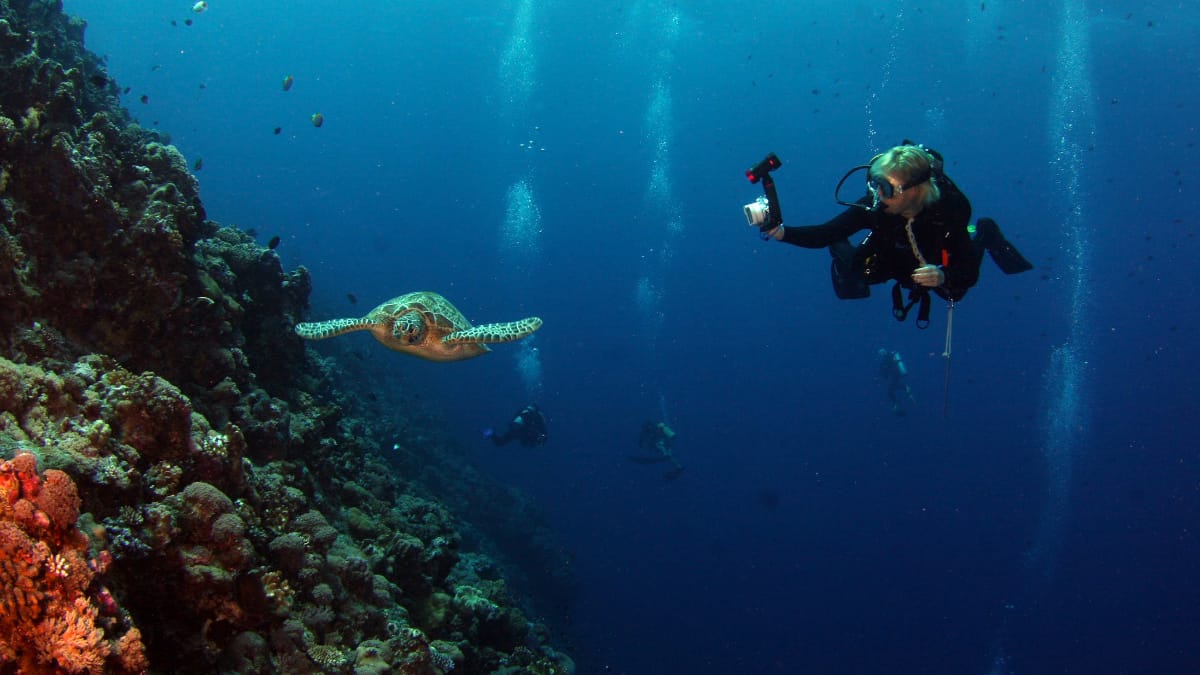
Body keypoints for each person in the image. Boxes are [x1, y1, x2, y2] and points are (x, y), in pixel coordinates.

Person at [761, 142, 1032, 325]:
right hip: (894, 247)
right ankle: (853, 255)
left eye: (887, 188)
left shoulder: (947, 213)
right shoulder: (876, 206)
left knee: (953, 293)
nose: (878, 194)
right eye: (875, 183)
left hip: (934, 254)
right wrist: (782, 233)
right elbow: (825, 233)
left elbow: (968, 271)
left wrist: (943, 275)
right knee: (860, 273)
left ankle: (984, 234)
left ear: (915, 190)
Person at [483, 404, 548, 448]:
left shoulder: (525, 412)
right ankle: (491, 433)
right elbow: (543, 433)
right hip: (522, 432)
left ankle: (491, 433)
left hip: (515, 430)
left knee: (499, 443)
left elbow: (515, 417)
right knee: (500, 443)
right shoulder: (538, 417)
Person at [877, 348, 916, 416]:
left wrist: (882, 375)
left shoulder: (885, 360)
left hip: (894, 374)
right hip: (898, 373)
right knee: (892, 388)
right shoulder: (891, 356)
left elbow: (884, 373)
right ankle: (905, 389)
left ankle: (897, 401)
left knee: (890, 390)